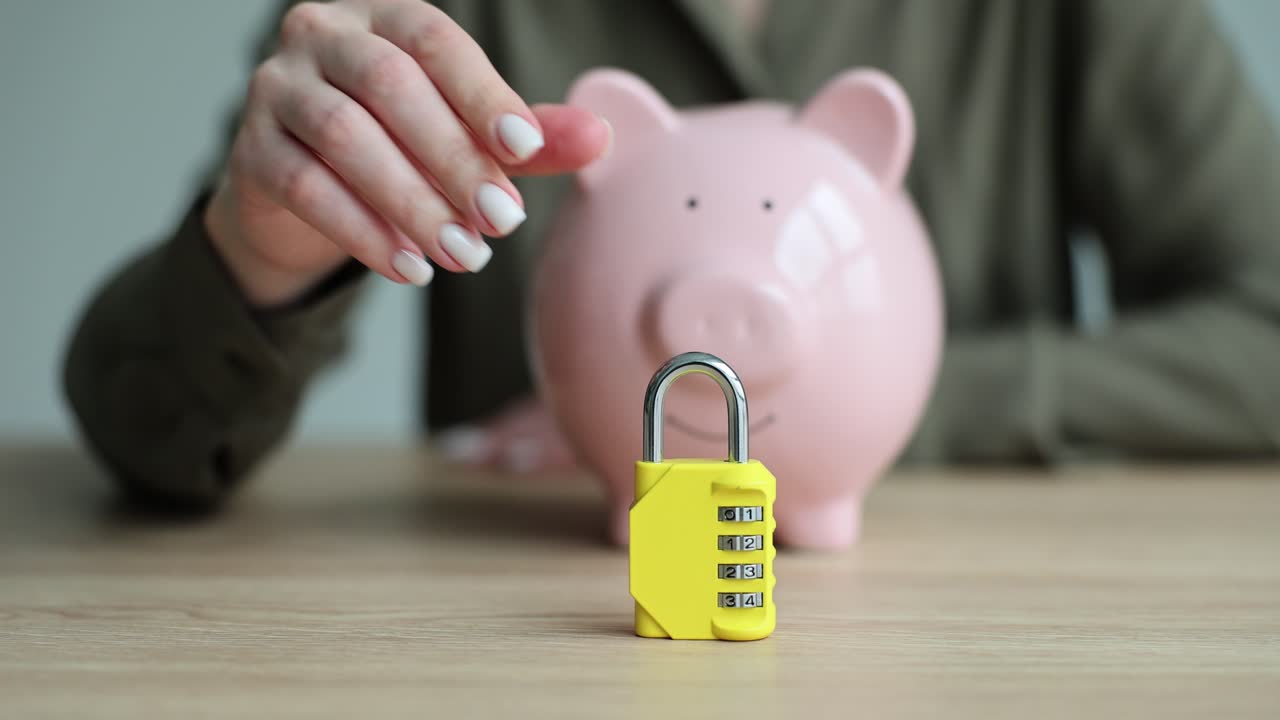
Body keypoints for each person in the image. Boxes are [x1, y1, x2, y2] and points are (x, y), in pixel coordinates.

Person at [63, 0, 1280, 507]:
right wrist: (261, 254)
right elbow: (146, 435)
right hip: (530, 627)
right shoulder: (407, 16)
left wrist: (900, 405)